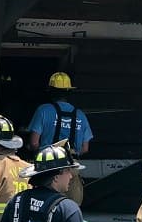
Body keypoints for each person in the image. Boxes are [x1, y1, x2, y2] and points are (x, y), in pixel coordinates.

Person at [26, 72, 93, 204]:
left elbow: (34, 143)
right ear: (69, 92)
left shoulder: (43, 110)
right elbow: (85, 148)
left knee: (44, 205)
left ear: (51, 91)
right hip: (71, 168)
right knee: (70, 207)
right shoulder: (80, 115)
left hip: (47, 168)